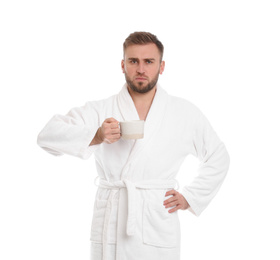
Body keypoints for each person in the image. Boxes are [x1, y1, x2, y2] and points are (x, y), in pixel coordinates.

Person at [37, 31, 230, 260]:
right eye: (133, 61)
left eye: (149, 61)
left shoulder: (184, 113)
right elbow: (47, 136)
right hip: (112, 220)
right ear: (122, 64)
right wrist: (96, 135)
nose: (141, 69)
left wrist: (191, 196)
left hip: (157, 221)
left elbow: (218, 156)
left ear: (161, 66)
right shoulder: (101, 109)